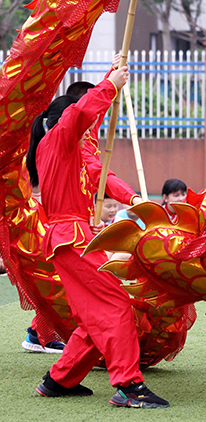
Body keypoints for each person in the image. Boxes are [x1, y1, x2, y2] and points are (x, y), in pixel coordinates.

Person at [27, 63, 169, 408]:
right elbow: (79, 114)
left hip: (73, 238)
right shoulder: (58, 141)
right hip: (71, 238)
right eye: (87, 125)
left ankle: (58, 380)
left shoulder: (73, 151)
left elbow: (99, 171)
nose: (91, 128)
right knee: (117, 304)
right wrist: (110, 84)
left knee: (93, 318)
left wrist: (134, 199)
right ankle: (129, 385)